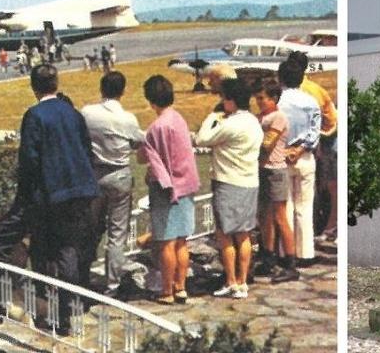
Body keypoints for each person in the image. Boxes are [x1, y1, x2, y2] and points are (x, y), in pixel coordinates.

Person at [11, 65, 98, 331]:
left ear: (33, 86)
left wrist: (24, 197)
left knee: (44, 253)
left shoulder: (35, 115)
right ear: (56, 83)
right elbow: (85, 149)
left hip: (50, 196)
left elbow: (29, 159)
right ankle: (72, 308)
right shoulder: (73, 113)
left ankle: (52, 313)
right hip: (80, 192)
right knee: (69, 249)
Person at [193, 78, 263, 299]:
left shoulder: (229, 124)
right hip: (250, 181)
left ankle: (231, 280)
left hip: (228, 183)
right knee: (244, 235)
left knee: (225, 236)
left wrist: (213, 116)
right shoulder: (253, 121)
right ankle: (243, 281)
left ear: (230, 100)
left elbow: (202, 139)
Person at [80, 71, 145, 296]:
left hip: (95, 174)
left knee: (90, 229)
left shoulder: (88, 113)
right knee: (117, 234)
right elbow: (138, 142)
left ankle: (82, 275)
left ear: (101, 89)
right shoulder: (128, 118)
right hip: (119, 175)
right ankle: (112, 285)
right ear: (123, 91)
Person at [138, 75, 200, 305]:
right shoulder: (179, 119)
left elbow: (150, 161)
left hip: (166, 189)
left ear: (151, 100)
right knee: (182, 241)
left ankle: (167, 290)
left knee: (166, 241)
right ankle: (181, 286)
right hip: (186, 184)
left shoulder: (156, 128)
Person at [288, 51, 340, 241]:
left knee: (320, 188)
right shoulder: (315, 89)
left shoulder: (305, 91)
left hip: (317, 145)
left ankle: (324, 226)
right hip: (314, 144)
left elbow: (327, 120)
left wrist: (317, 142)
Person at [253, 79, 299, 283]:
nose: (258, 101)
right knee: (264, 217)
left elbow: (266, 144)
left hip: (276, 171)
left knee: (280, 218)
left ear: (274, 98)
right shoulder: (259, 117)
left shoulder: (278, 117)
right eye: (257, 98)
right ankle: (268, 258)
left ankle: (290, 264)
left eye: (262, 98)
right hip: (262, 171)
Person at [278, 59, 321, 267]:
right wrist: (301, 148)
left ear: (280, 78)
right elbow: (315, 131)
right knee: (305, 205)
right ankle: (306, 252)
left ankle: (287, 251)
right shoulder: (311, 101)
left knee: (286, 205)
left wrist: (287, 150)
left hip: (283, 156)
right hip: (304, 156)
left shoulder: (278, 102)